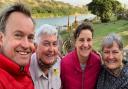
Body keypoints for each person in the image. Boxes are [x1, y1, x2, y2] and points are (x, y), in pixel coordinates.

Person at [0, 3, 35, 89]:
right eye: (18, 35)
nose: (26, 45)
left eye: (30, 37)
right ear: (1, 39)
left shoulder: (22, 69)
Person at [61, 23, 101, 89]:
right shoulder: (64, 63)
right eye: (81, 40)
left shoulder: (97, 61)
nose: (85, 44)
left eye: (89, 40)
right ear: (75, 42)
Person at [29, 24, 61, 89]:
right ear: (35, 47)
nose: (51, 49)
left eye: (54, 44)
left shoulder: (58, 63)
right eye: (46, 44)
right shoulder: (27, 71)